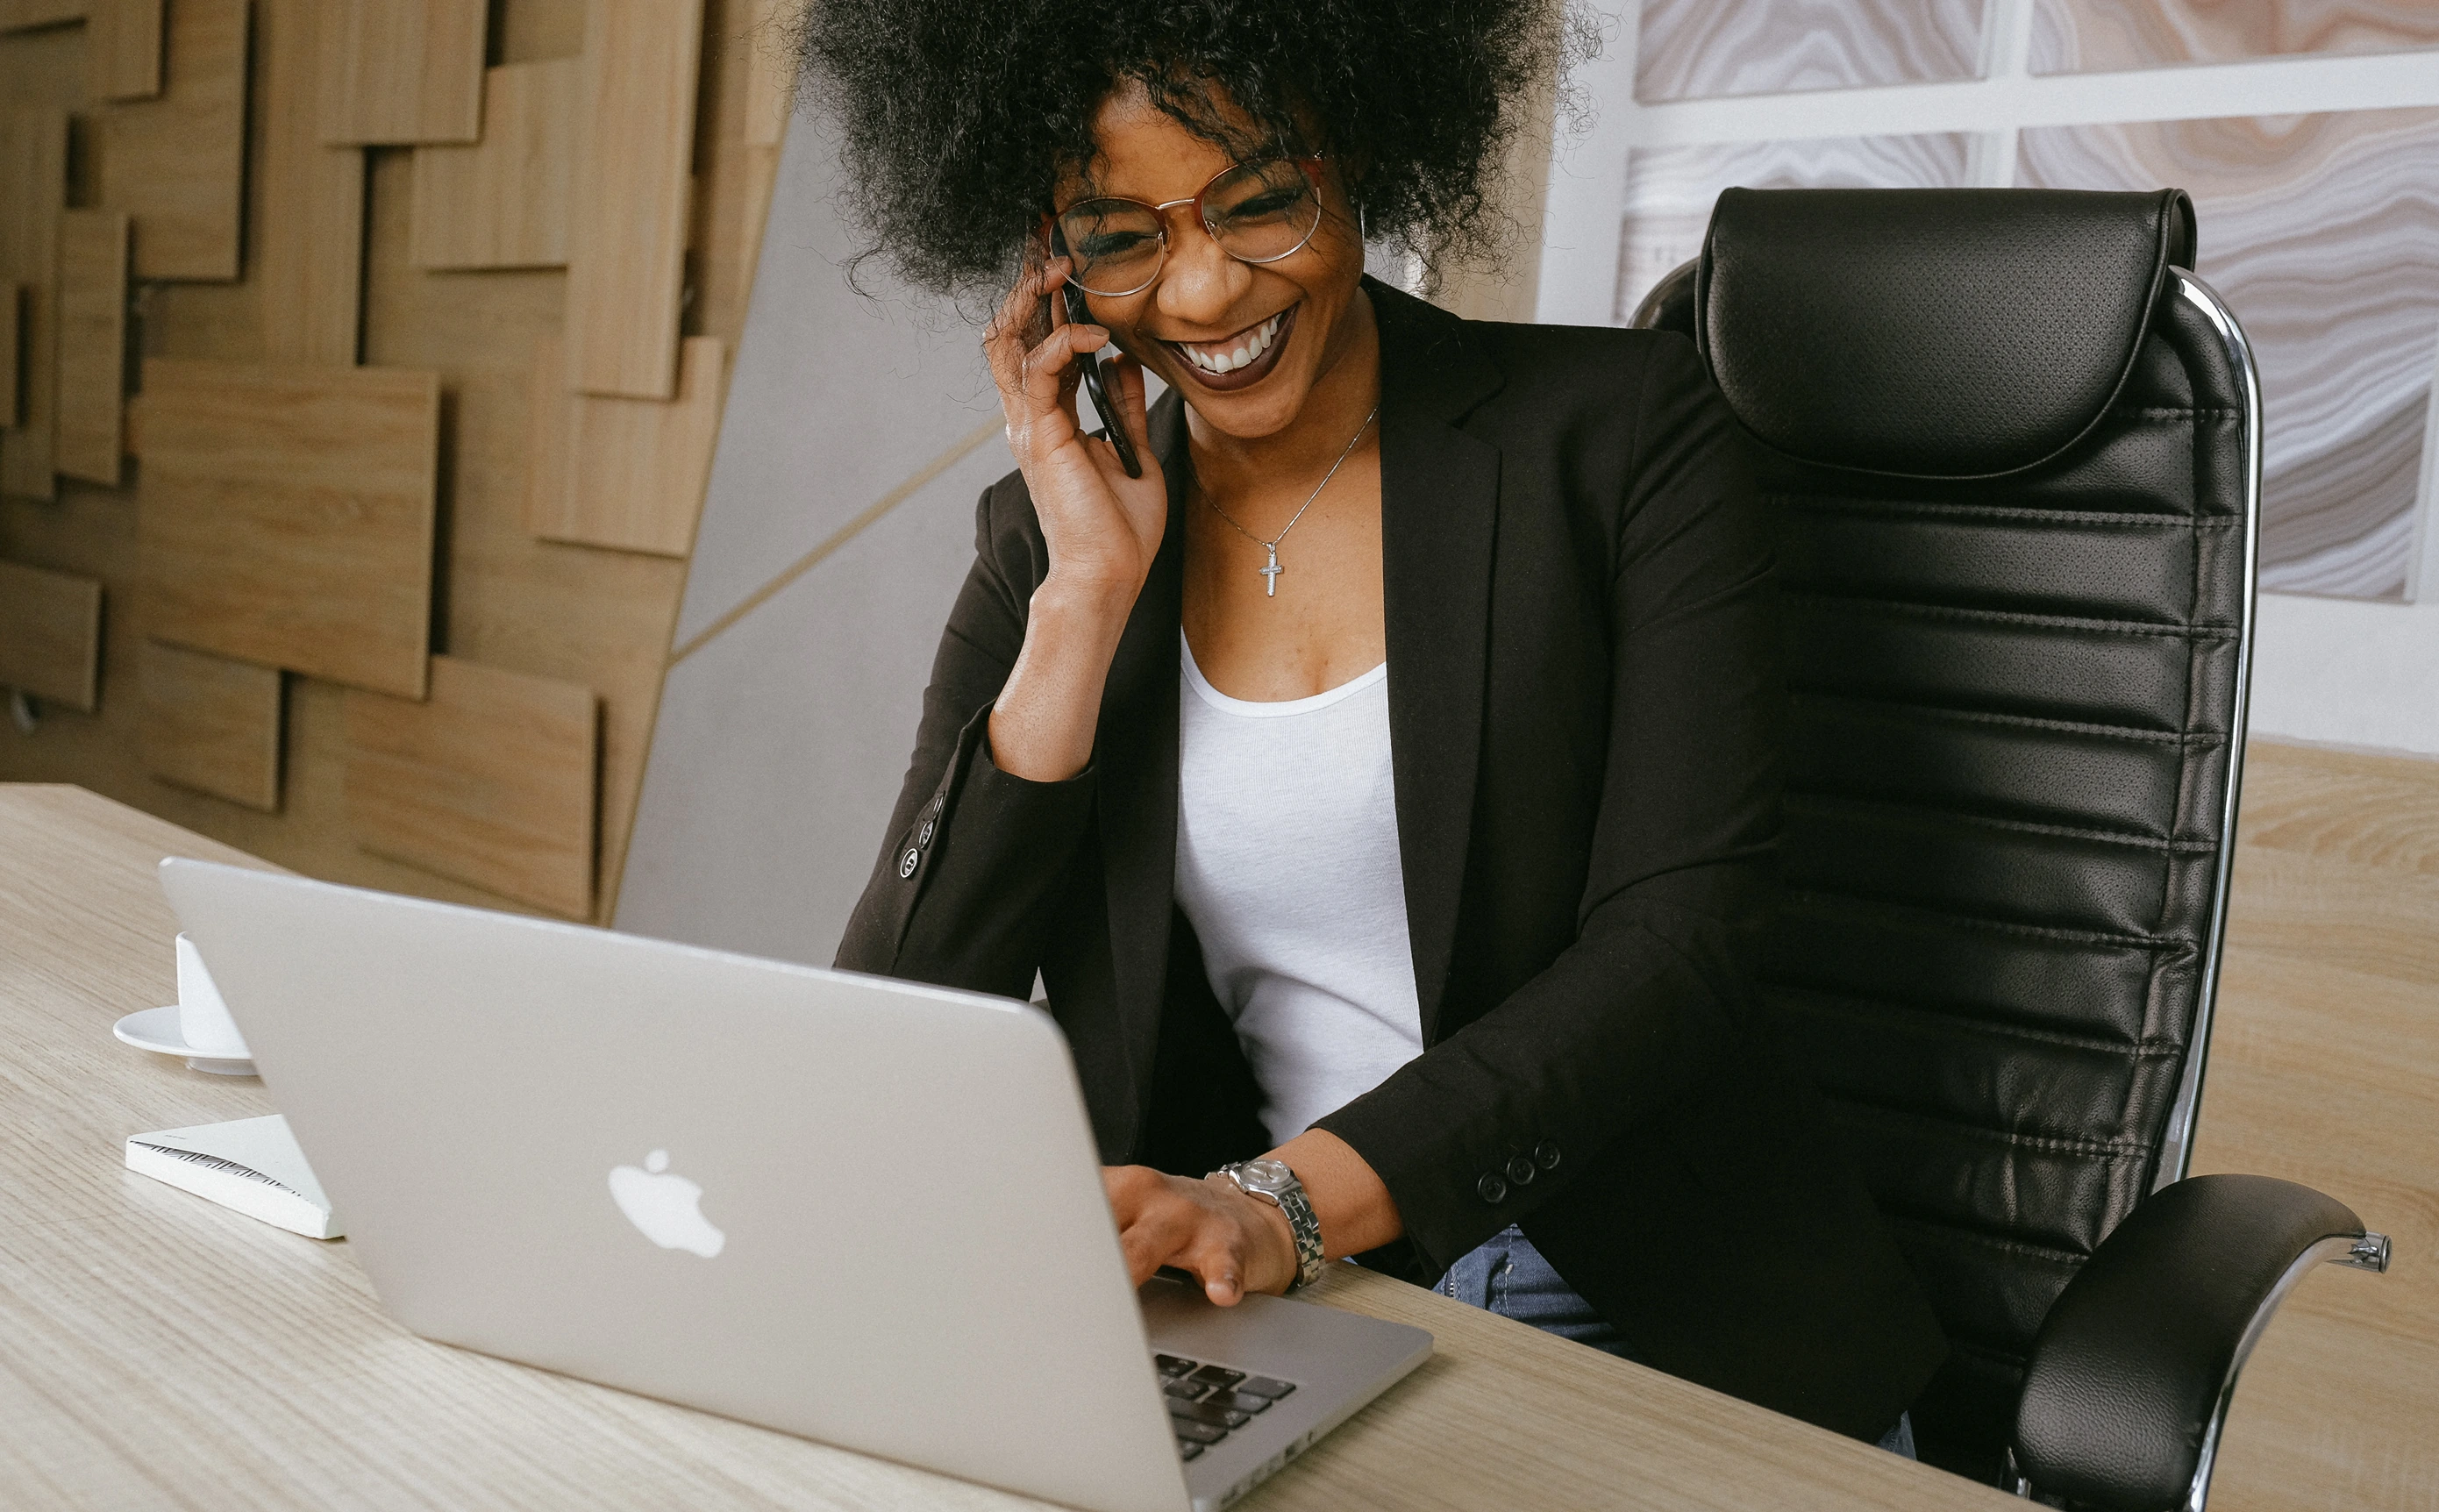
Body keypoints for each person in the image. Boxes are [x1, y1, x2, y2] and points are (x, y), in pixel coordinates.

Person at [809, 0, 1947, 1451]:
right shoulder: (1050, 543)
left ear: (1361, 158)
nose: (1207, 290)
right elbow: (900, 1013)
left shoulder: (1620, 438)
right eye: (1123, 234)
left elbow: (1680, 944)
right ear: (1054, 258)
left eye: (1262, 202)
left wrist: (1281, 1204)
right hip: (1257, 1314)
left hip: (1645, 1295)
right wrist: (1087, 597)